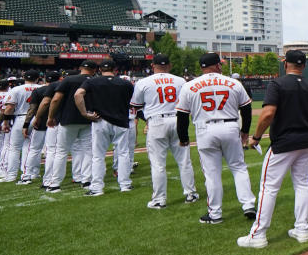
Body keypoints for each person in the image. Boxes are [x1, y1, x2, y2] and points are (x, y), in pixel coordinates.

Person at [238, 50, 308, 248]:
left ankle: (258, 234)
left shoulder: (278, 84)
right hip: (307, 141)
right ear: (303, 66)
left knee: (269, 187)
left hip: (284, 143)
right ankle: (302, 229)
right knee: (302, 184)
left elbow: (268, 113)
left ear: (286, 64)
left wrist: (257, 137)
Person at [176, 52, 256, 224]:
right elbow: (247, 109)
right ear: (217, 65)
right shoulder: (234, 82)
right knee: (238, 167)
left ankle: (215, 214)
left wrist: (183, 138)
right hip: (230, 126)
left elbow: (181, 116)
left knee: (212, 174)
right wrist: (245, 131)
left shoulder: (190, 85)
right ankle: (248, 204)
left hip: (205, 128)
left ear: (201, 67)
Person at [130, 54, 199, 208]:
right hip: (178, 120)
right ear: (170, 65)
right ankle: (191, 193)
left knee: (158, 164)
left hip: (156, 121)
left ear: (153, 65)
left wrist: (147, 120)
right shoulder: (181, 80)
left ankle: (159, 200)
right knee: (184, 161)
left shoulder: (143, 82)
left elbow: (136, 106)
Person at [74, 59, 135, 196]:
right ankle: (125, 184)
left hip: (100, 121)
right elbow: (134, 102)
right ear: (115, 69)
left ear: (100, 70)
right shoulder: (125, 83)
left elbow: (78, 94)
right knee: (123, 153)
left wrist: (84, 113)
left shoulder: (91, 81)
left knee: (98, 155)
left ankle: (96, 187)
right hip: (121, 121)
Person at [45, 61, 97, 193]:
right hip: (90, 119)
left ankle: (55, 183)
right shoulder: (96, 80)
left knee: (61, 152)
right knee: (88, 151)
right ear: (94, 69)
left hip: (68, 119)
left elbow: (56, 99)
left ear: (80, 68)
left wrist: (50, 117)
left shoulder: (69, 79)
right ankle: (86, 181)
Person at [0, 70, 41, 183]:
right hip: (38, 118)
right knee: (33, 148)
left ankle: (11, 175)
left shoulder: (16, 89)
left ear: (24, 77)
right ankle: (33, 173)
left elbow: (9, 108)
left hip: (21, 118)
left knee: (14, 148)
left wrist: (5, 123)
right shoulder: (42, 87)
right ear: (37, 78)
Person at [21, 72, 55, 185]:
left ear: (45, 79)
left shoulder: (38, 91)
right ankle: (50, 177)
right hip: (56, 123)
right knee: (52, 151)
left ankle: (27, 176)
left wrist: (26, 124)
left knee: (34, 149)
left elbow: (32, 109)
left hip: (40, 123)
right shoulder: (62, 89)